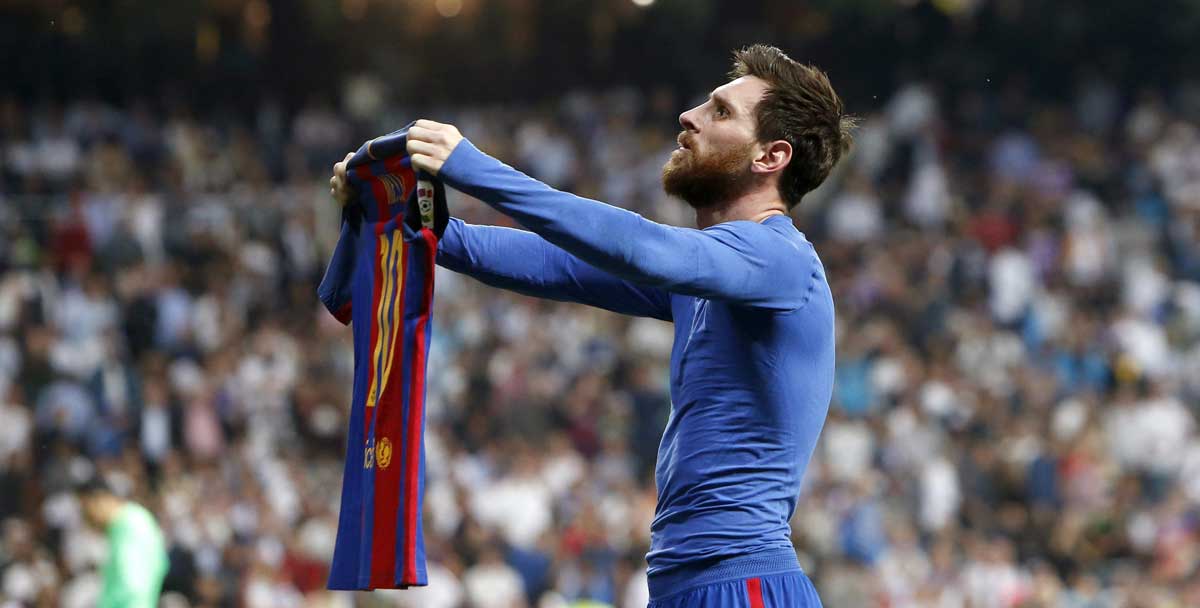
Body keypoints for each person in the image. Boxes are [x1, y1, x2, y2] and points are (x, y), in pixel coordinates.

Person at [331, 43, 853, 607]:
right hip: (690, 583)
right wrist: (419, 226)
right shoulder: (713, 273)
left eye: (721, 112)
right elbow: (559, 267)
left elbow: (644, 250)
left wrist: (475, 169)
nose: (689, 116)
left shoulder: (781, 260)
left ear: (771, 157)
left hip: (744, 584)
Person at [79, 476, 169, 608]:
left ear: (100, 499)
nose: (86, 518)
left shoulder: (129, 524)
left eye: (86, 509)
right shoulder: (122, 525)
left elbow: (132, 585)